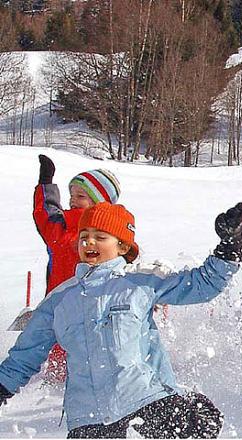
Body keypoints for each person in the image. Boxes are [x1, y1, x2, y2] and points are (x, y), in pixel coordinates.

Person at [0, 202, 242, 437]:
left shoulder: (140, 281)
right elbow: (25, 355)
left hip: (146, 402)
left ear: (123, 247)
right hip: (88, 421)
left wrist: (229, 247)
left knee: (202, 421)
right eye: (84, 236)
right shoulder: (60, 300)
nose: (89, 242)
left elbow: (202, 285)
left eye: (100, 236)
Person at [32, 154, 121, 383]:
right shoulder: (61, 227)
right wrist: (46, 182)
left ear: (100, 202)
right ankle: (55, 388)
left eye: (80, 196)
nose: (72, 200)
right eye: (71, 195)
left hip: (95, 307)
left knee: (89, 350)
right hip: (58, 305)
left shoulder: (110, 234)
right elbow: (45, 212)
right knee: (59, 353)